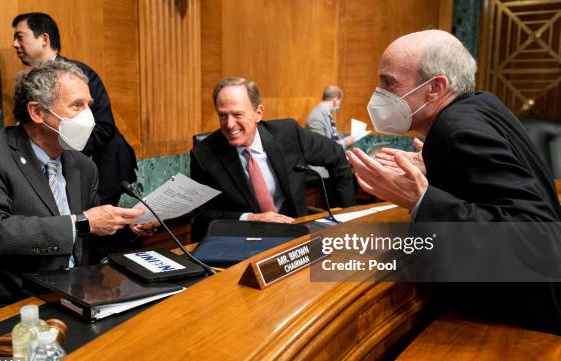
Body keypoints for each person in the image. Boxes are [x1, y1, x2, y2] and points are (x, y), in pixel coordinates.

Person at [347, 29, 561, 333]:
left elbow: (537, 237)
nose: (379, 94)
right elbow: (491, 190)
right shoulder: (479, 104)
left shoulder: (456, 131)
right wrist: (432, 170)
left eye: (389, 83)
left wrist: (419, 198)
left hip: (527, 318)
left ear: (435, 88)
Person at [0, 61, 157, 313]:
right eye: (76, 105)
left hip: (75, 292)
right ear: (37, 112)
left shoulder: (82, 165)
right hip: (10, 302)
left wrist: (129, 228)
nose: (88, 118)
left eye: (89, 106)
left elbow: (91, 235)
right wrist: (82, 223)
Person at [190, 77, 355, 239]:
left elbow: (336, 155)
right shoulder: (204, 155)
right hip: (243, 240)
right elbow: (201, 217)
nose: (230, 124)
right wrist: (249, 218)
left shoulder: (288, 133)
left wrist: (347, 214)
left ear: (258, 113)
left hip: (297, 234)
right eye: (223, 116)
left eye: (237, 114)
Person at [12, 12, 137, 206]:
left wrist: (61, 149)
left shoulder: (76, 76)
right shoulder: (28, 80)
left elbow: (103, 127)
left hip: (103, 168)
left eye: (20, 37)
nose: (14, 44)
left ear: (44, 39)